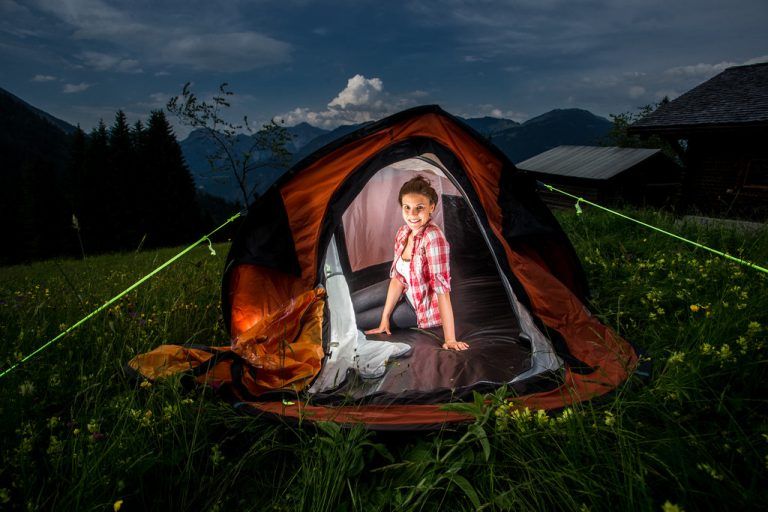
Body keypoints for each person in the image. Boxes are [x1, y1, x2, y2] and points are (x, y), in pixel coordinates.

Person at [364, 175, 469, 351]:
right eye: (407, 208)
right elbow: (398, 278)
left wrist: (450, 339)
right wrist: (385, 317)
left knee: (355, 319)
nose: (412, 215)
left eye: (419, 208)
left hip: (419, 309)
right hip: (404, 289)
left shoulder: (433, 238)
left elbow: (442, 291)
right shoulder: (404, 232)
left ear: (431, 208)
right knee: (350, 304)